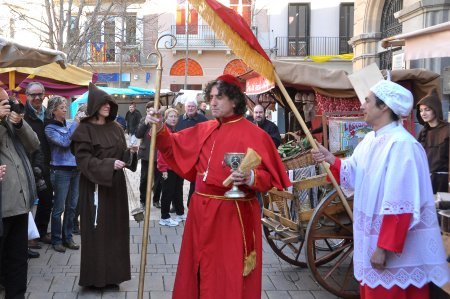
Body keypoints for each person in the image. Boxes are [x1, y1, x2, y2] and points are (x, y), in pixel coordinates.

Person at [147, 74, 291, 299]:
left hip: (231, 216)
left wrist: (251, 178)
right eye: (211, 97)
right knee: (197, 269)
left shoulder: (256, 134)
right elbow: (173, 145)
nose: (212, 102)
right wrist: (160, 128)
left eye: (220, 97)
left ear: (234, 100)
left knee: (226, 273)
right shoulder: (205, 128)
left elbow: (270, 178)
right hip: (200, 212)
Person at [311, 80, 449, 299]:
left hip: (393, 248)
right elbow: (354, 172)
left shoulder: (402, 144)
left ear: (384, 107)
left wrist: (384, 247)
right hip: (372, 240)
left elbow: (401, 201)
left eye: (367, 100)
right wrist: (330, 158)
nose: (361, 105)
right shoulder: (370, 140)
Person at [70, 83, 138, 288]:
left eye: (110, 103)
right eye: (104, 102)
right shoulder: (84, 129)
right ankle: (95, 278)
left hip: (115, 187)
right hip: (95, 188)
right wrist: (109, 164)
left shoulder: (116, 127)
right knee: (97, 232)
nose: (108, 106)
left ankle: (113, 276)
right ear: (94, 105)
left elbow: (122, 155)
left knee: (116, 232)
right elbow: (83, 161)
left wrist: (131, 154)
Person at [0, 87, 40, 299]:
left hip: (20, 204)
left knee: (17, 262)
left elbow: (34, 144)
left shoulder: (10, 124)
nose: (8, 105)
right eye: (3, 102)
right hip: (2, 207)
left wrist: (19, 122)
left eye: (8, 101)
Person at [44, 96, 80, 253]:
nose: (65, 110)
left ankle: (68, 237)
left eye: (65, 107)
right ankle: (56, 239)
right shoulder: (50, 128)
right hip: (60, 170)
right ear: (53, 111)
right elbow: (65, 142)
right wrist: (76, 124)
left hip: (76, 169)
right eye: (62, 107)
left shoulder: (69, 124)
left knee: (72, 206)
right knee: (59, 208)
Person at [24, 81, 53, 246]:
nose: (36, 97)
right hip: (29, 162)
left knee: (47, 199)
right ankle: (28, 236)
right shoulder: (23, 114)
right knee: (28, 201)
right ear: (27, 96)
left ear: (44, 95)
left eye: (39, 94)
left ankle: (41, 232)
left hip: (47, 162)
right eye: (33, 94)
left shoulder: (48, 113)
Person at [175, 99, 208, 207]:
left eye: (192, 107)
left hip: (197, 156)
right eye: (188, 106)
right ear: (185, 107)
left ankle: (191, 204)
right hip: (181, 155)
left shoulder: (203, 120)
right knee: (178, 182)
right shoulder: (179, 119)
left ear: (196, 108)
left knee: (194, 181)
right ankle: (177, 206)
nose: (190, 109)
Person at [417, 91, 450, 194]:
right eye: (421, 110)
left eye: (427, 110)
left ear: (435, 110)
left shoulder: (448, 130)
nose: (423, 113)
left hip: (444, 182)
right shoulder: (423, 132)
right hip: (427, 181)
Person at [156, 108, 185, 226]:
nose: (173, 119)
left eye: (175, 116)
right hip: (167, 168)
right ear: (166, 118)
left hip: (176, 167)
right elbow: (161, 152)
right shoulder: (164, 131)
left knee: (178, 191)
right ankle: (164, 217)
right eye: (171, 116)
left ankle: (180, 213)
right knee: (167, 193)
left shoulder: (174, 130)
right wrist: (163, 169)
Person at [135, 101, 162, 209]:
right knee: (144, 179)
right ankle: (143, 201)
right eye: (149, 110)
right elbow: (138, 134)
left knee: (158, 180)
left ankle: (156, 200)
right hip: (146, 155)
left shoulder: (161, 120)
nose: (151, 112)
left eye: (153, 109)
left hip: (159, 155)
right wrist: (146, 122)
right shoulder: (143, 120)